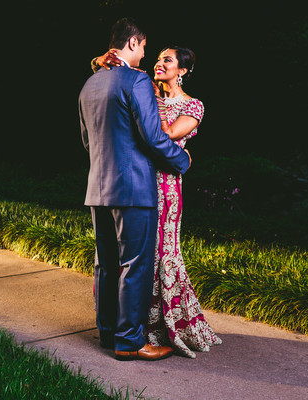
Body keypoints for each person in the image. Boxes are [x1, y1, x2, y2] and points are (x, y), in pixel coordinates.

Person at [92, 46, 222, 358]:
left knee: (163, 252)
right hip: (136, 180)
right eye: (158, 58)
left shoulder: (193, 106)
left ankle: (167, 325)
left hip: (166, 187)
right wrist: (100, 62)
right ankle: (133, 327)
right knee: (133, 256)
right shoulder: (145, 92)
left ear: (183, 70)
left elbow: (163, 135)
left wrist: (149, 103)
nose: (159, 63)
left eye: (168, 60)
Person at [79, 17, 191, 361]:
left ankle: (108, 333)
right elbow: (153, 137)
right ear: (132, 42)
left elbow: (87, 141)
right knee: (136, 266)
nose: (145, 53)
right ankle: (130, 342)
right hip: (134, 189)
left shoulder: (90, 84)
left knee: (107, 265)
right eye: (143, 46)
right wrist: (182, 160)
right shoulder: (136, 80)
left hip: (99, 187)